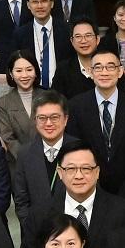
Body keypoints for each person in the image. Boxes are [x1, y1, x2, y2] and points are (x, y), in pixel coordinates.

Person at [70, 45, 125, 197]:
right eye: (98, 68)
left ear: (120, 72)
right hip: (89, 190)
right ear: (90, 72)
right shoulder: (76, 106)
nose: (104, 72)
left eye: (110, 67)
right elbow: (76, 153)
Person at [9, 91, 83, 228]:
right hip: (35, 233)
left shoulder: (80, 150)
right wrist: (32, 229)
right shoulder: (25, 153)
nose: (48, 123)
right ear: (35, 120)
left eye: (54, 117)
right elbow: (21, 199)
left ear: (65, 119)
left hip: (73, 230)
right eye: (42, 118)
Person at [0, 51, 43, 156]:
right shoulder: (3, 103)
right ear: (11, 74)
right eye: (19, 71)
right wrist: (28, 159)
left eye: (29, 70)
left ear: (36, 72)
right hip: (18, 163)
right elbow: (8, 138)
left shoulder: (48, 97)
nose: (24, 75)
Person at [16, 0, 64, 89]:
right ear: (28, 5)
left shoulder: (66, 30)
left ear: (52, 3)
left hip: (62, 91)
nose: (39, 6)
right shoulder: (20, 34)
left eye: (44, 1)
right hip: (32, 90)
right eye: (35, 2)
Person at [53, 16, 100, 100]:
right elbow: (55, 102)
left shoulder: (111, 65)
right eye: (78, 36)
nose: (83, 41)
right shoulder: (63, 69)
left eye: (88, 35)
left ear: (97, 39)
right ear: (72, 41)